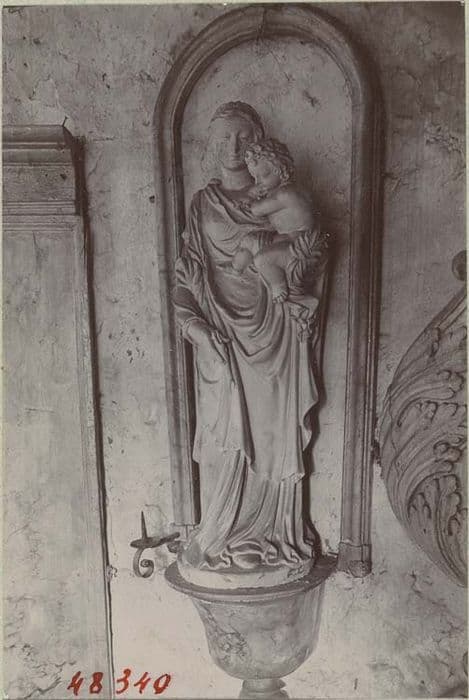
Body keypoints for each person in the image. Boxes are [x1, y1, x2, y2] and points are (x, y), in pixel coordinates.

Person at [173, 102, 326, 584]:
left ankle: (272, 535)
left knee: (272, 432)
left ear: (259, 143)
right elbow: (184, 278)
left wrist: (296, 277)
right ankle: (222, 533)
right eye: (223, 138)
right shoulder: (202, 205)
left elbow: (310, 251)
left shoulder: (282, 196)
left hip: (275, 332)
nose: (233, 147)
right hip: (218, 332)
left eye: (243, 137)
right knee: (225, 436)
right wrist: (197, 330)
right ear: (211, 145)